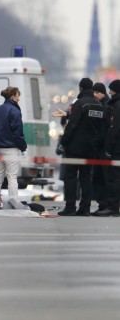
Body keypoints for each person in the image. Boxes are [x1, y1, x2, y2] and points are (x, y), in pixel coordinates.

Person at [58, 78, 104, 216]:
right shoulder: (98, 105)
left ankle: (70, 207)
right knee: (86, 177)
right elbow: (101, 129)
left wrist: (64, 141)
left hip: (76, 148)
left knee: (70, 176)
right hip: (91, 149)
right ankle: (85, 208)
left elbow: (72, 125)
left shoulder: (80, 104)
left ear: (81, 89)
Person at [0, 86, 26, 199]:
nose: (19, 99)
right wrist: (23, 148)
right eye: (18, 96)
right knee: (12, 177)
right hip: (10, 149)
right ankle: (13, 203)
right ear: (13, 96)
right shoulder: (15, 111)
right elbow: (18, 133)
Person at [97, 79, 120, 216]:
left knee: (114, 178)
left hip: (116, 148)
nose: (109, 91)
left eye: (111, 89)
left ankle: (113, 206)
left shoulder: (116, 105)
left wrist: (108, 148)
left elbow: (114, 128)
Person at [91, 82, 111, 215]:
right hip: (100, 147)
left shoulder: (108, 105)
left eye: (98, 93)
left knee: (104, 178)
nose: (95, 95)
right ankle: (103, 204)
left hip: (104, 147)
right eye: (94, 93)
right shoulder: (100, 105)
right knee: (98, 177)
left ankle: (107, 205)